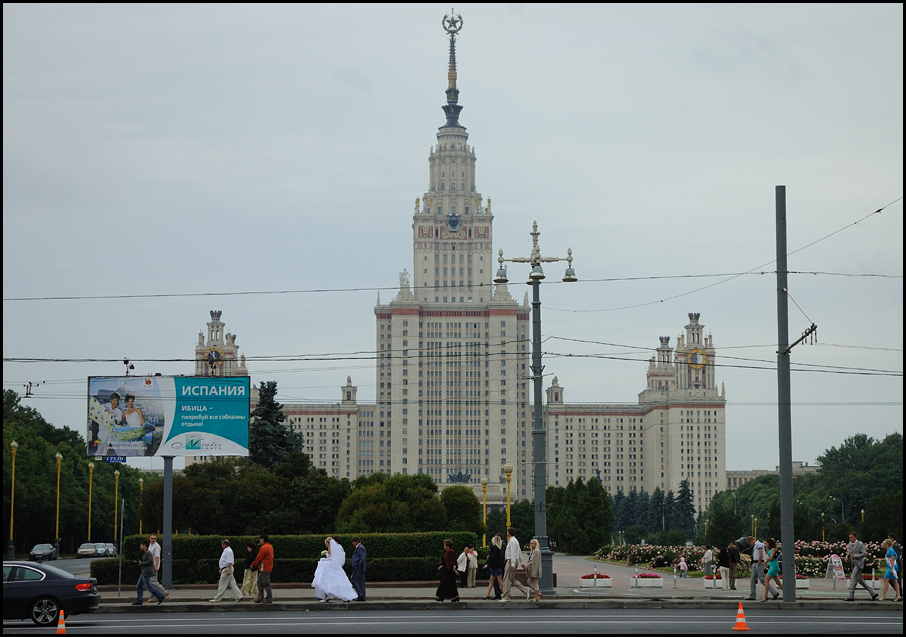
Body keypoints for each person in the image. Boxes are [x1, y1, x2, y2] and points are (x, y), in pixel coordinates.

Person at [312, 537, 358, 602]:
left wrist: (324, 559)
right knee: (339, 581)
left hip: (330, 566)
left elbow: (331, 557)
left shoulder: (331, 548)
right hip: (336, 566)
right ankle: (345, 596)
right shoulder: (338, 547)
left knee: (325, 581)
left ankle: (327, 596)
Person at [845, 531, 879, 602]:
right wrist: (847, 557)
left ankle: (851, 596)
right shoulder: (850, 544)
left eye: (851, 537)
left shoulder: (860, 544)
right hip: (854, 564)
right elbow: (849, 552)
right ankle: (873, 593)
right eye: (849, 538)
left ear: (855, 537)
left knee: (853, 578)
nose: (850, 539)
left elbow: (864, 553)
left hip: (858, 564)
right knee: (861, 581)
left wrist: (856, 556)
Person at [501, 526, 530, 602]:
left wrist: (513, 564)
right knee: (512, 579)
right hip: (514, 560)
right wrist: (521, 562)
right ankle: (526, 590)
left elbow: (513, 553)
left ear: (509, 533)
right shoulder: (515, 541)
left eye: (507, 532)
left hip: (511, 561)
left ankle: (506, 597)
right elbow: (519, 552)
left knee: (506, 579)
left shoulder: (512, 541)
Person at [132, 539, 165, 606]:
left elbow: (150, 561)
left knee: (148, 586)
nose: (140, 547)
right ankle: (139, 600)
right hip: (143, 572)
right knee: (139, 586)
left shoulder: (148, 552)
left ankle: (160, 596)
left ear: (144, 546)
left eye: (141, 545)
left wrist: (141, 563)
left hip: (146, 572)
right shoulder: (145, 552)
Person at [746, 536, 778, 601]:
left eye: (750, 543)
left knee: (762, 579)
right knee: (752, 579)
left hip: (759, 562)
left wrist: (759, 562)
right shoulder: (755, 545)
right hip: (755, 562)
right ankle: (753, 595)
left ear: (752, 540)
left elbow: (760, 554)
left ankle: (774, 592)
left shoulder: (759, 544)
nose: (750, 544)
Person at [143, 534, 168, 603]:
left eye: (154, 538)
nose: (153, 539)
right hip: (150, 567)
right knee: (150, 582)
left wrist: (156, 566)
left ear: (156, 539)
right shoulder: (150, 545)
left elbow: (157, 557)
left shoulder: (156, 546)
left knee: (153, 582)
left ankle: (164, 592)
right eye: (152, 538)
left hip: (153, 567)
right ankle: (152, 598)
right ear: (149, 538)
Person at [251, 534, 274, 604]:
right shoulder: (270, 546)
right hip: (267, 567)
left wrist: (253, 564)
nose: (260, 541)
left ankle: (269, 598)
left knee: (265, 583)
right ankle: (260, 597)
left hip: (264, 567)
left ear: (263, 539)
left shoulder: (264, 548)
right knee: (259, 583)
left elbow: (259, 557)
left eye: (260, 539)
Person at [761, 538, 784, 602]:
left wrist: (767, 558)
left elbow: (771, 558)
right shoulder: (770, 550)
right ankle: (787, 593)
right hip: (772, 566)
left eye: (767, 543)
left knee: (766, 580)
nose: (766, 544)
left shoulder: (773, 549)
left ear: (770, 543)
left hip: (774, 566)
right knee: (778, 583)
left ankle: (765, 596)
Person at [482, 534, 504, 600]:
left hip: (496, 567)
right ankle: (488, 594)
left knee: (499, 581)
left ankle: (505, 594)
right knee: (492, 580)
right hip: (496, 566)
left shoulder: (495, 548)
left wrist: (487, 564)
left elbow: (492, 558)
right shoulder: (498, 548)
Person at [350, 535, 367, 601]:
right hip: (360, 568)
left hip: (359, 568)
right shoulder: (360, 547)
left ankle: (360, 594)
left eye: (353, 542)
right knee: (360, 582)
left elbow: (363, 558)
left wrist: (358, 565)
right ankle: (362, 595)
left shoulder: (360, 547)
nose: (353, 544)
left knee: (354, 580)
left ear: (356, 541)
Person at [889, 533, 903, 598]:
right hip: (895, 565)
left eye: (889, 538)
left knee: (896, 580)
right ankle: (899, 593)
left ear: (892, 538)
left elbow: (897, 556)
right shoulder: (893, 546)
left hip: (896, 565)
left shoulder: (896, 546)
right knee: (894, 580)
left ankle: (899, 593)